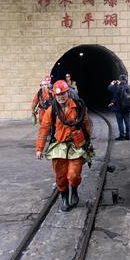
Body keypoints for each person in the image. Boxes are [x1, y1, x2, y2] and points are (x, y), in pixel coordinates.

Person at [36, 80, 93, 212]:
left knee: (74, 175)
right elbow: (44, 129)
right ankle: (64, 198)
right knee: (60, 176)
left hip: (76, 145)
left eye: (63, 94)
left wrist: (87, 142)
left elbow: (86, 125)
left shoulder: (78, 107)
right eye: (58, 95)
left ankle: (74, 190)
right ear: (54, 96)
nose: (61, 97)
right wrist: (39, 148)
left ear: (68, 93)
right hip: (59, 146)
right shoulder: (52, 110)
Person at [108, 74, 130, 141]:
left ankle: (121, 136)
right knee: (127, 121)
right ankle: (128, 135)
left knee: (120, 122)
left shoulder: (117, 87)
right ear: (126, 80)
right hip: (127, 107)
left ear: (120, 80)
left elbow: (109, 88)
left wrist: (112, 83)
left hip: (118, 108)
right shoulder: (129, 87)